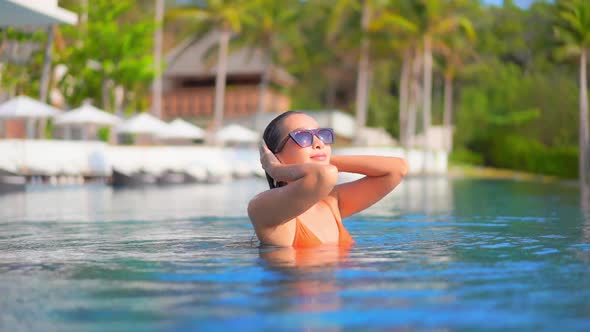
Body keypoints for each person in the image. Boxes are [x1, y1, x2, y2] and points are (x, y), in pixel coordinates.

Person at [248, 111, 408, 248]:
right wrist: (276, 170)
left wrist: (323, 158)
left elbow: (397, 168)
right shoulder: (263, 208)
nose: (318, 143)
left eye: (322, 135)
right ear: (275, 156)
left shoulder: (331, 202)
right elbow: (324, 175)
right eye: (303, 136)